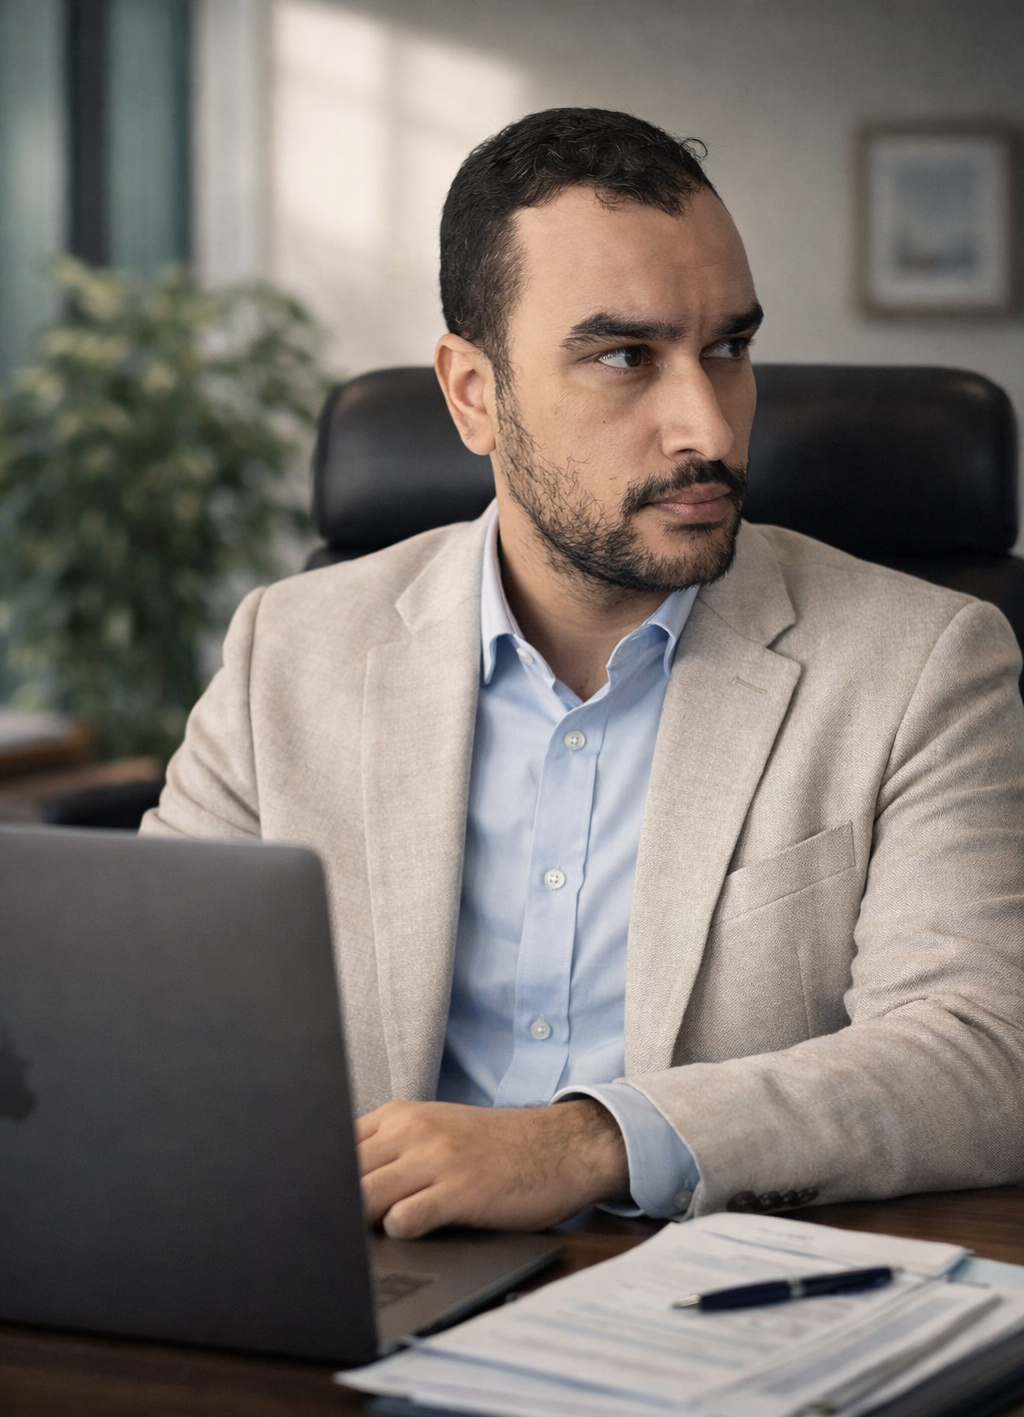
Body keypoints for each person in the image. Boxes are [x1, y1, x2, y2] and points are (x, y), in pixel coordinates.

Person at [142, 107, 1024, 1239]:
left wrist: (589, 1139)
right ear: (473, 394)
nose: (706, 425)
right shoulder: (291, 651)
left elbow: (985, 1054)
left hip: (708, 1303)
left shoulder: (918, 662)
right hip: (359, 1281)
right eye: (622, 356)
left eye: (728, 349)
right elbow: (148, 1019)